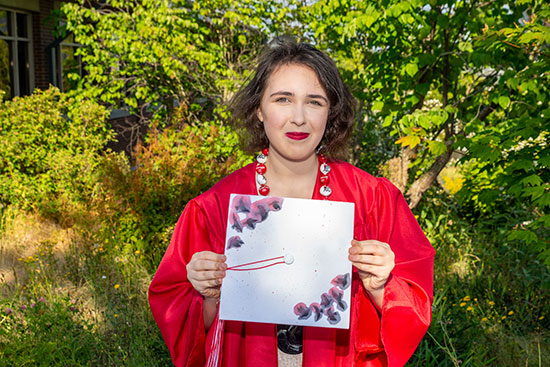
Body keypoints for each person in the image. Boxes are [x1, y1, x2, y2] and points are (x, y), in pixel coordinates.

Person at [148, 38, 435, 367]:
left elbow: (414, 307)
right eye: (283, 99)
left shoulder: (372, 200)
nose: (299, 118)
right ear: (259, 108)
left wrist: (381, 286)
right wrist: (208, 296)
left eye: (314, 102)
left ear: (331, 111)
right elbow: (186, 330)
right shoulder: (213, 209)